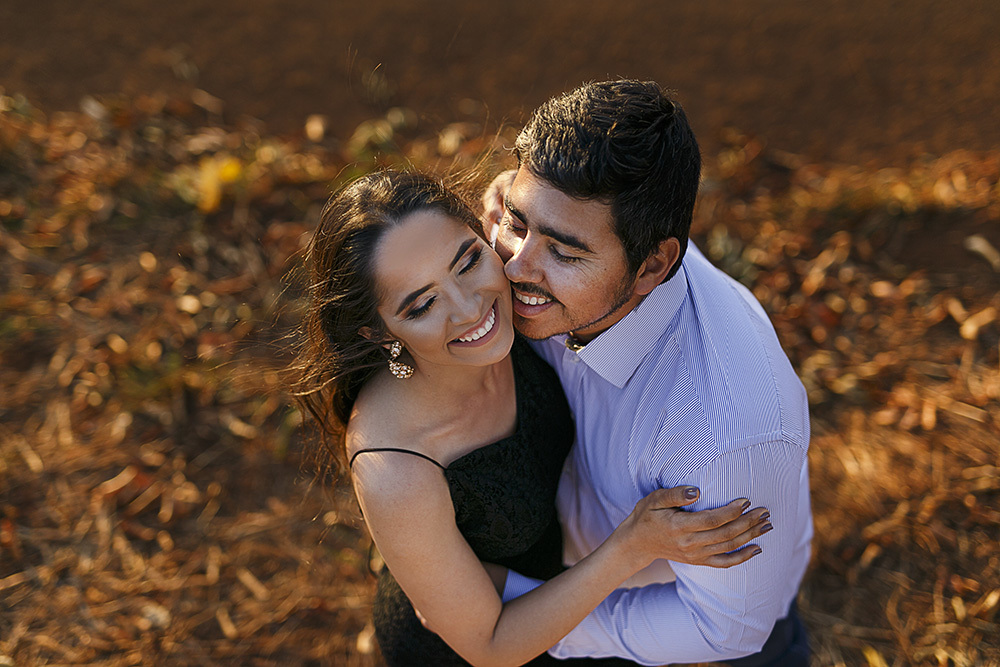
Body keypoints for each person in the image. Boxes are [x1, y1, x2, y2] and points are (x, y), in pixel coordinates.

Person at [289, 170, 773, 666]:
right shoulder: (396, 463)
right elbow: (489, 644)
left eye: (468, 261)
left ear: (486, 234)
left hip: (566, 597)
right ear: (378, 332)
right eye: (423, 304)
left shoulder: (517, 290)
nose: (470, 307)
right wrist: (633, 546)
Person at [482, 80, 813, 666]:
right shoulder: (564, 235)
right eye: (518, 223)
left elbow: (722, 630)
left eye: (564, 253)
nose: (516, 267)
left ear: (652, 267)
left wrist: (526, 617)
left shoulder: (725, 440)